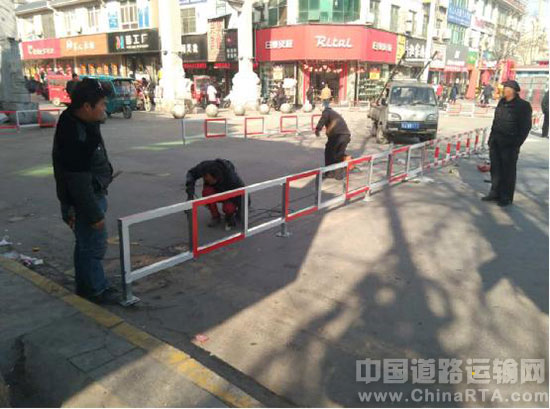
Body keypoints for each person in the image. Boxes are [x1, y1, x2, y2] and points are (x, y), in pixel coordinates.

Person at [52, 78, 119, 304]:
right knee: (93, 246)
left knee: (84, 245)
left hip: (88, 192)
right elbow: (77, 182)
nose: (105, 108)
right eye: (101, 104)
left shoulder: (79, 119)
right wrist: (94, 215)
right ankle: (96, 290)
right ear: (87, 107)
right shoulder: (75, 135)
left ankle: (86, 287)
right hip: (86, 198)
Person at [482, 80, 532, 207]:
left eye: (507, 88)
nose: (504, 90)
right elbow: (496, 121)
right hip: (496, 142)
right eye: (504, 88)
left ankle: (506, 196)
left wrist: (516, 143)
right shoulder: (502, 102)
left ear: (513, 91)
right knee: (495, 169)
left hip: (510, 144)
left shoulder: (523, 106)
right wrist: (491, 139)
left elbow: (525, 127)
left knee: (507, 171)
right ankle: (494, 192)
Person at [185, 159, 245, 230]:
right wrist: (190, 193)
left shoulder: (231, 178)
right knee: (207, 192)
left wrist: (240, 212)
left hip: (228, 192)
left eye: (208, 179)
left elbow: (243, 193)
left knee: (228, 208)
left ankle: (229, 216)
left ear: (216, 176)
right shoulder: (204, 167)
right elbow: (191, 174)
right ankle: (215, 216)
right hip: (215, 189)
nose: (205, 179)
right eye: (205, 178)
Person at [315, 107, 352, 180]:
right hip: (346, 135)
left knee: (329, 153)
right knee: (339, 155)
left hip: (337, 135)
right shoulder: (335, 114)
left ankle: (329, 173)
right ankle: (338, 175)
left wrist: (318, 129)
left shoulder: (327, 112)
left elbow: (323, 119)